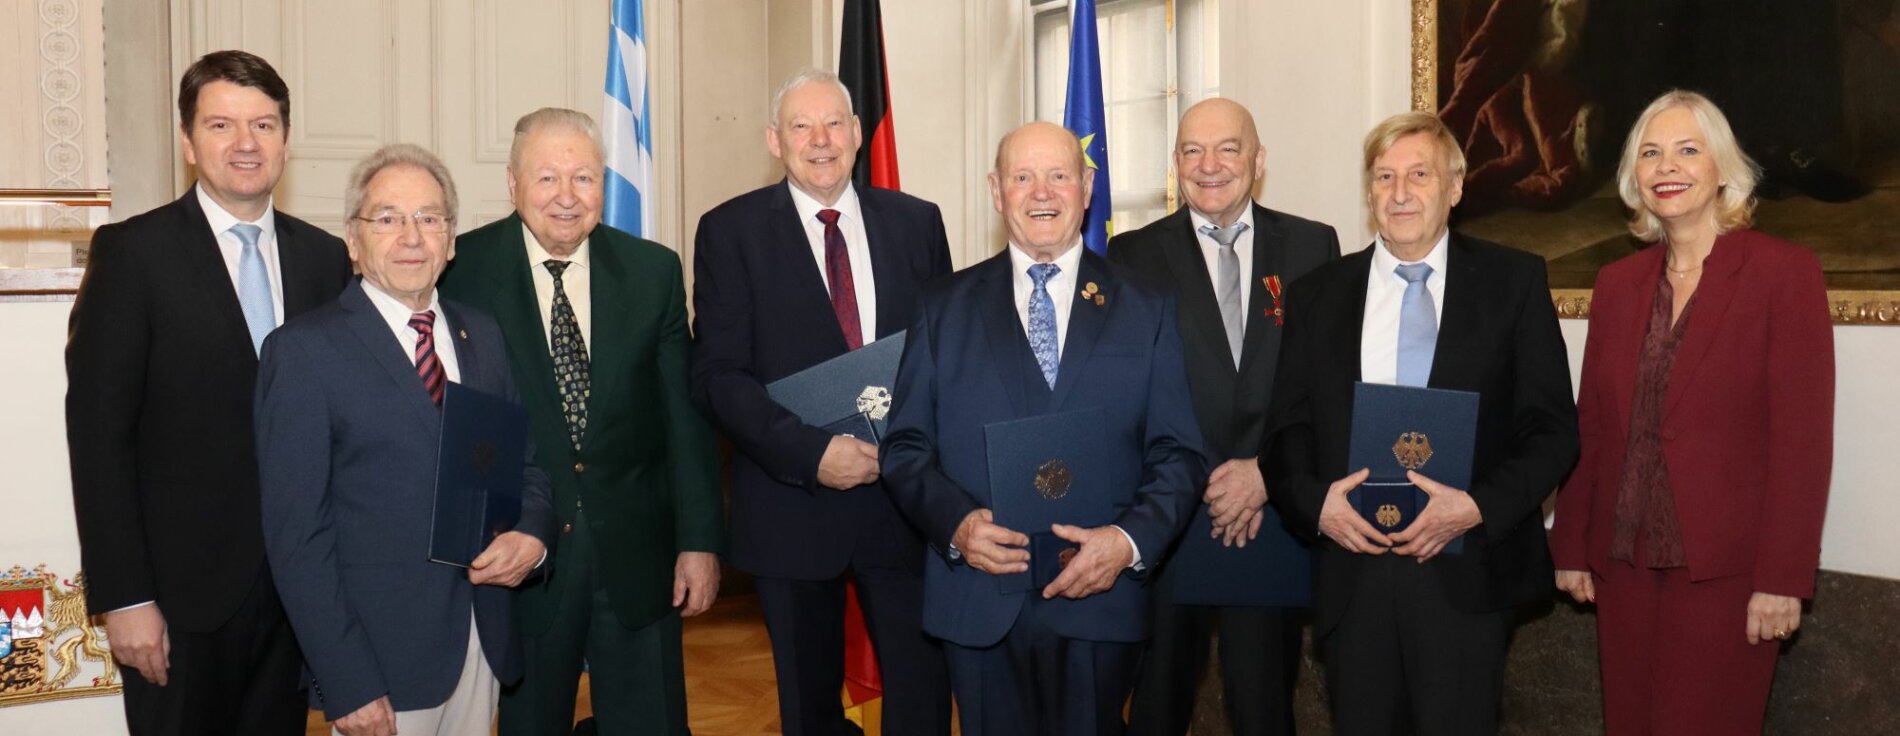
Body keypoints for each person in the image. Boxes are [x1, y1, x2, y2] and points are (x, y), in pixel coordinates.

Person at [882, 121, 1207, 736]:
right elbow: (905, 447)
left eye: (1059, 175)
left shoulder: (1148, 305)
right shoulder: (941, 306)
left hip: (1100, 598)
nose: (1042, 193)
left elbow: (1179, 453)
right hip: (978, 598)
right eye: (1023, 177)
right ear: (996, 190)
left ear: (1087, 187)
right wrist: (956, 525)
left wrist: (1128, 542)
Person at [1261, 111, 1579, 735]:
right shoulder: (1317, 295)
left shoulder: (1513, 281)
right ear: (1369, 190)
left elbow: (1552, 431)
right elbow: (1285, 432)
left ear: (1455, 187)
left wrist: (1478, 507)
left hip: (1466, 574)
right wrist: (1316, 503)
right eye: (1384, 176)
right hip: (1354, 575)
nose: (1400, 192)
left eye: (1419, 174)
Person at [64, 49, 350, 736]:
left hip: (297, 596)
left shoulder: (327, 260)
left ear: (285, 139)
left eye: (265, 124)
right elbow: (99, 437)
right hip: (177, 602)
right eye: (222, 125)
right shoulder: (134, 255)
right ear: (189, 142)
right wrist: (126, 596)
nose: (246, 143)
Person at [1549, 90, 1835, 734]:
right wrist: (1569, 543)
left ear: (1723, 169)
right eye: (1650, 153)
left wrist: (1783, 578)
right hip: (1621, 564)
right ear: (1634, 178)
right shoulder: (1618, 286)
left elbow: (1804, 442)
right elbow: (1592, 422)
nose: (1665, 166)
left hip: (1728, 576)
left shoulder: (1783, 275)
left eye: (1686, 149)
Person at [439, 107, 724, 736]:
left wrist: (698, 541)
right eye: (547, 179)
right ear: (513, 185)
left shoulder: (654, 272)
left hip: (636, 558)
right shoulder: (462, 269)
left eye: (584, 178)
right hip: (520, 558)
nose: (567, 198)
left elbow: (685, 422)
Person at [256, 144, 556, 736]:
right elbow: (297, 540)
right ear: (351, 239)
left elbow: (526, 467)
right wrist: (348, 680)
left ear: (451, 241)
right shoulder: (303, 353)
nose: (411, 236)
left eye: (429, 218)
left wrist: (533, 535)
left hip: (481, 643)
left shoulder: (483, 336)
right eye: (387, 218)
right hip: (380, 667)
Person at [690, 69, 953, 736]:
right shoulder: (730, 232)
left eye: (834, 123)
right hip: (793, 508)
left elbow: (944, 359)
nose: (821, 140)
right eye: (802, 126)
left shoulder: (918, 224)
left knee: (921, 698)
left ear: (859, 134)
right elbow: (719, 377)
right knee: (809, 711)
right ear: (775, 142)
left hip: (906, 505)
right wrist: (815, 455)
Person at [1112, 98, 1339, 736]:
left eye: (1228, 148)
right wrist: (1201, 480)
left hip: (1269, 515)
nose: (1209, 166)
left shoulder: (1312, 245)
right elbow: (1125, 392)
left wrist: (1265, 473)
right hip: (1169, 521)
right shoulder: (1130, 255)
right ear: (1175, 165)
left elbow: (1324, 384)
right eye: (1191, 151)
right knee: (1157, 705)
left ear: (1258, 160)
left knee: (1264, 707)